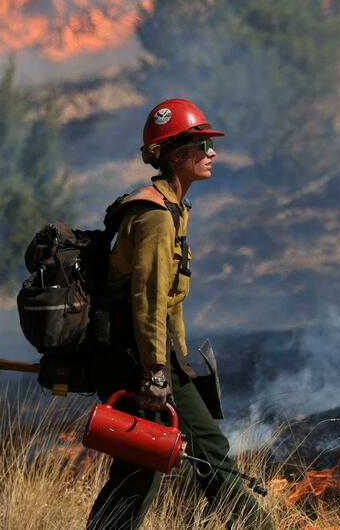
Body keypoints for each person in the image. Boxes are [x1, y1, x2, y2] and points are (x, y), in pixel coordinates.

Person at [87, 99, 273, 530]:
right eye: (201, 145)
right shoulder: (153, 216)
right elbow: (148, 302)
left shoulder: (170, 207)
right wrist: (157, 373)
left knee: (145, 466)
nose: (212, 153)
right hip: (143, 361)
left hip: (152, 357)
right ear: (175, 154)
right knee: (193, 453)